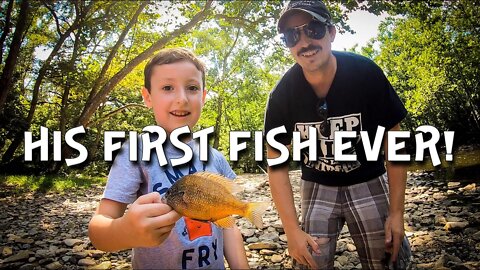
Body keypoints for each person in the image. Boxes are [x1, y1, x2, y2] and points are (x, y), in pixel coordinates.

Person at [264, 1, 412, 269]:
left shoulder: (365, 73)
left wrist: (397, 213)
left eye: (313, 30)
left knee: (389, 257)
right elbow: (276, 163)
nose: (304, 41)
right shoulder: (281, 95)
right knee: (308, 260)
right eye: (292, 35)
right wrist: (291, 230)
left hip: (368, 177)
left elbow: (395, 140)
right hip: (317, 184)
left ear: (331, 32)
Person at [88, 48, 249, 269]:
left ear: (203, 97)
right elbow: (98, 231)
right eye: (167, 88)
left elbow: (228, 226)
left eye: (192, 88)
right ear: (147, 97)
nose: (181, 99)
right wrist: (125, 231)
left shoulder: (216, 158)